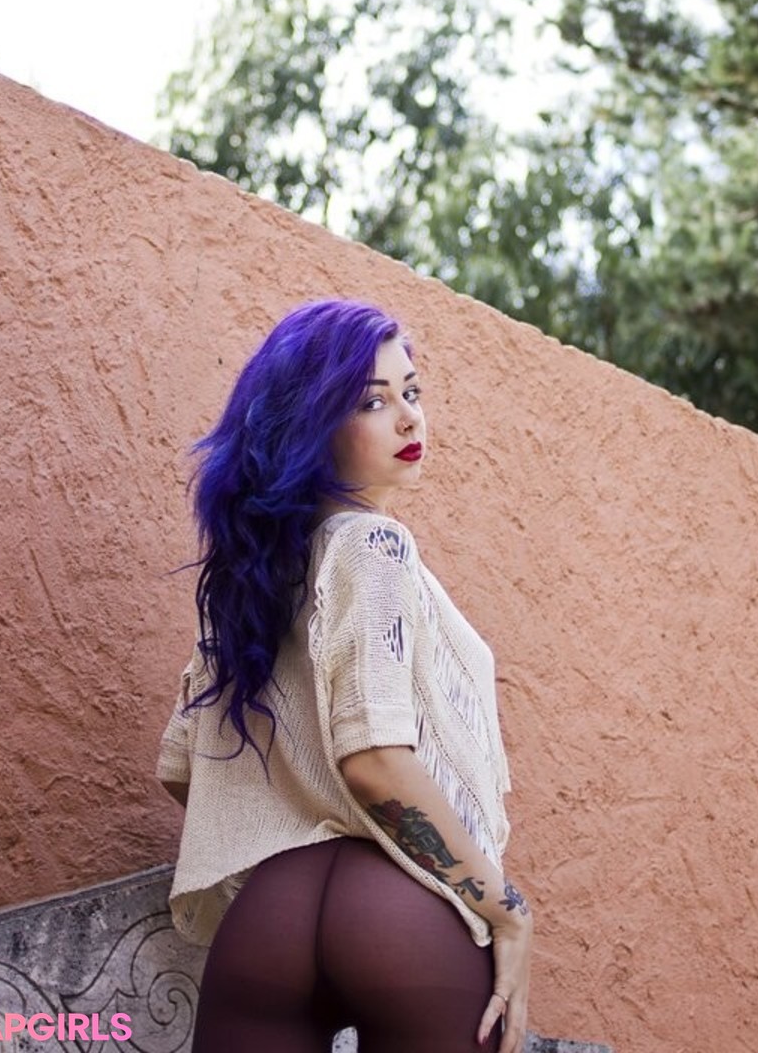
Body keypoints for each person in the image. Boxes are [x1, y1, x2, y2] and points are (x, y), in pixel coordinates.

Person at [156, 298, 533, 1053]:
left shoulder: (250, 581)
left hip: (267, 921)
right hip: (395, 908)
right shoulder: (376, 546)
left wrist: (298, 805)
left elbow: (182, 771)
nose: (409, 417)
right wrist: (505, 908)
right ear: (312, 424)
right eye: (372, 401)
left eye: (411, 392)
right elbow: (375, 761)